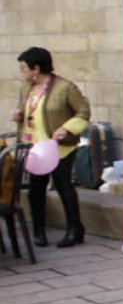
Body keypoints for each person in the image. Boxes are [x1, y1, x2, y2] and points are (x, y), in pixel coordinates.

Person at [10, 47, 91, 247]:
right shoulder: (27, 87)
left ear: (36, 68)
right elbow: (25, 109)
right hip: (34, 147)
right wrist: (18, 114)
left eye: (24, 68)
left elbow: (83, 112)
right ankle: (39, 231)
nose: (22, 73)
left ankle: (75, 230)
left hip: (58, 146)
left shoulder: (65, 88)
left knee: (64, 186)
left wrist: (66, 128)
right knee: (36, 188)